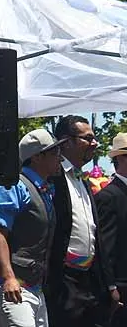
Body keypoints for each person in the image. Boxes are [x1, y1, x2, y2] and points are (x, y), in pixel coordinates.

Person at [0, 128, 63, 327]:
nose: (60, 158)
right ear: (37, 157)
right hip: (14, 286)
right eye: (54, 152)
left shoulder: (45, 190)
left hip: (34, 288)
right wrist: (8, 277)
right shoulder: (14, 186)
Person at [45, 115, 117, 326]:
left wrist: (110, 285)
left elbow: (96, 234)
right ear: (66, 142)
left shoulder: (83, 179)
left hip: (89, 280)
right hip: (63, 280)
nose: (95, 143)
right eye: (88, 138)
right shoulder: (52, 177)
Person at [95, 132, 127, 325]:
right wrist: (111, 286)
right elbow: (105, 247)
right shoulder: (109, 197)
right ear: (121, 158)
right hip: (122, 288)